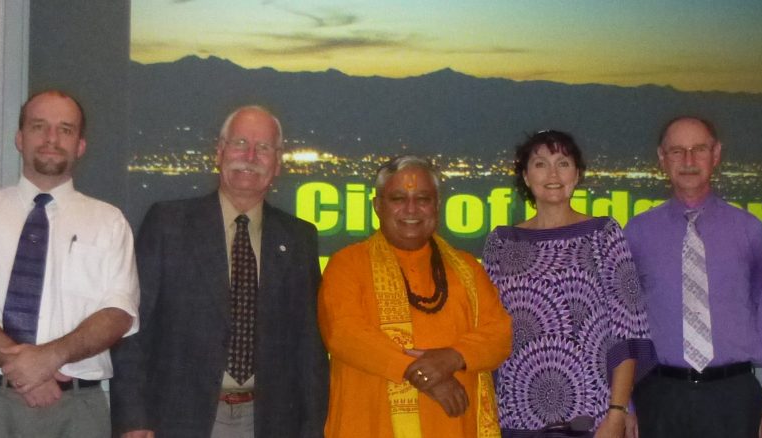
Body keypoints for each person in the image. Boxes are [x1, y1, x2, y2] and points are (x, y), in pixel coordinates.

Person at [110, 106, 328, 438]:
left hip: (270, 422)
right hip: (176, 419)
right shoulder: (169, 224)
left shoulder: (299, 238)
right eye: (240, 143)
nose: (251, 156)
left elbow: (309, 348)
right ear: (220, 152)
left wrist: (313, 429)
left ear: (278, 163)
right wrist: (132, 419)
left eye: (264, 148)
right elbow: (134, 329)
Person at [0, 89, 140, 437]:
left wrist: (51, 358)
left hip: (77, 410)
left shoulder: (109, 222)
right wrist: (23, 368)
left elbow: (118, 312)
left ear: (80, 145)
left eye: (65, 129)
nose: (51, 139)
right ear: (20, 138)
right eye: (38, 126)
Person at [624, 116, 762, 438]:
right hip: (660, 398)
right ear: (662, 159)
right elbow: (621, 327)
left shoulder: (749, 230)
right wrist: (626, 406)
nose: (688, 160)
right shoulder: (638, 233)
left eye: (698, 149)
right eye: (677, 151)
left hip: (733, 399)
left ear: (716, 154)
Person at [318, 155, 512, 438]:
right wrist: (421, 374)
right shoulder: (347, 264)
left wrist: (452, 358)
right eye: (398, 198)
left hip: (453, 426)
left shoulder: (468, 268)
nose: (411, 209)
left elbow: (499, 335)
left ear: (437, 206)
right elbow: (344, 333)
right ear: (377, 206)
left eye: (422, 199)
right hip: (372, 425)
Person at [481, 130, 654, 438]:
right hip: (516, 417)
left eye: (562, 163)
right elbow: (487, 331)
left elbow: (628, 333)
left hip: (590, 418)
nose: (552, 174)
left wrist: (617, 412)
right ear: (525, 175)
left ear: (576, 174)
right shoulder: (502, 243)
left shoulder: (603, 234)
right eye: (540, 164)